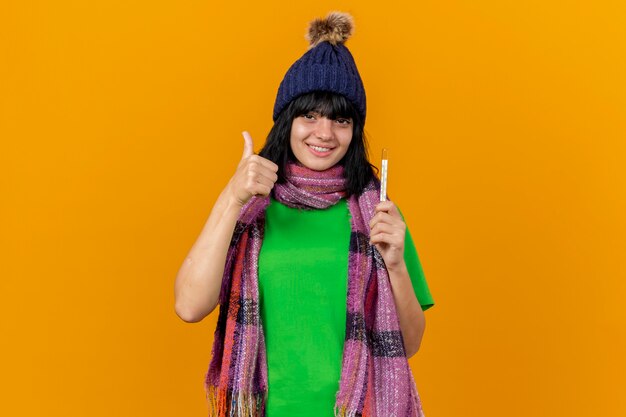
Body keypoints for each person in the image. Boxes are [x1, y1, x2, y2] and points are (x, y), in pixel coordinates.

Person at [174, 11, 435, 417]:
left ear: (354, 130)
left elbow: (411, 343)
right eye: (309, 116)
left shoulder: (378, 214)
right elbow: (189, 306)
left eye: (340, 120)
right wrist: (231, 196)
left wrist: (397, 265)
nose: (324, 133)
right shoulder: (251, 209)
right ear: (286, 122)